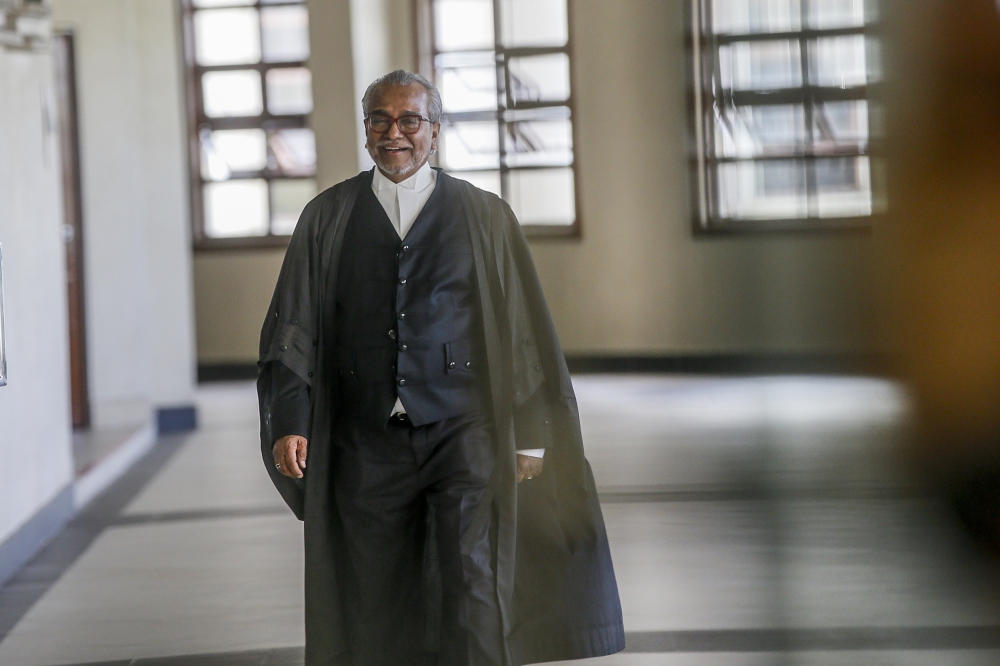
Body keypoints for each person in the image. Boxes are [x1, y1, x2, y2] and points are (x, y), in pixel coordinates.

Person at [257, 69, 624, 666]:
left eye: (409, 120)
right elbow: (292, 327)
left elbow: (521, 332)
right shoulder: (327, 218)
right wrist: (291, 419)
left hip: (464, 430)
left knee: (474, 585)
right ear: (366, 127)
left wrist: (530, 433)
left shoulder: (484, 217)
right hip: (362, 438)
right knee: (372, 590)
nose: (393, 133)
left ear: (435, 128)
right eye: (379, 119)